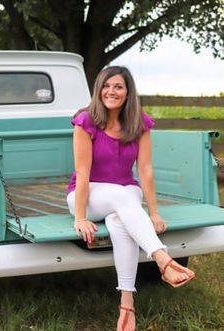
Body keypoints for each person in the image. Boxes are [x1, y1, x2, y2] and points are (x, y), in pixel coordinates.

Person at [67, 66, 195, 331]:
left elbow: (145, 170)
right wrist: (79, 216)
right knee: (120, 195)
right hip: (88, 195)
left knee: (119, 221)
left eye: (118, 86)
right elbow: (82, 171)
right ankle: (163, 260)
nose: (111, 91)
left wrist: (155, 212)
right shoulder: (85, 120)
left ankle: (126, 305)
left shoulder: (140, 123)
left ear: (128, 92)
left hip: (126, 192)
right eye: (106, 85)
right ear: (98, 89)